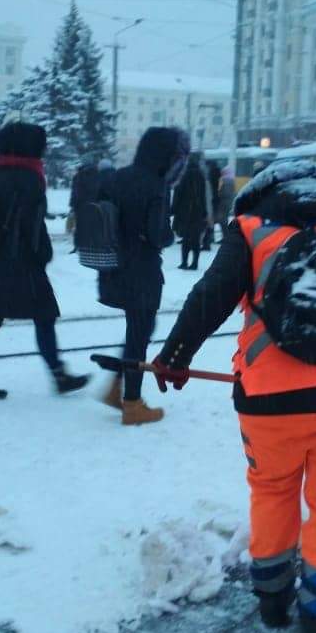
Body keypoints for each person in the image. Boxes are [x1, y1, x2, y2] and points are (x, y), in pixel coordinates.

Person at [151, 160, 316, 633]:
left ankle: (273, 599)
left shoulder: (252, 230)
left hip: (270, 400)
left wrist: (175, 356)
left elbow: (210, 296)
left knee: (274, 492)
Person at [0, 122, 89, 403]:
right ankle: (59, 375)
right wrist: (42, 255)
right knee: (44, 317)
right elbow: (33, 226)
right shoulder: (30, 178)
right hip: (23, 262)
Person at [101, 126, 190, 425]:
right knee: (140, 333)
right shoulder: (156, 185)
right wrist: (169, 234)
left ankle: (117, 387)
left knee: (135, 330)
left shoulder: (118, 176)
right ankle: (132, 403)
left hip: (114, 267)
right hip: (141, 271)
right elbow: (157, 235)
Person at [172, 152, 209, 270]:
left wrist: (174, 209)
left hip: (184, 213)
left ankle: (184, 262)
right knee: (196, 239)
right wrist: (204, 212)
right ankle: (195, 263)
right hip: (197, 212)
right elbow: (203, 196)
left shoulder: (183, 175)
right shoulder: (201, 175)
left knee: (186, 239)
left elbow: (178, 193)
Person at [69, 155, 101, 255]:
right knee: (93, 225)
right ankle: (92, 245)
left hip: (81, 205)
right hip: (94, 204)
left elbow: (75, 192)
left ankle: (79, 245)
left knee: (79, 226)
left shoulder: (79, 175)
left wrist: (72, 204)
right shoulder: (97, 174)